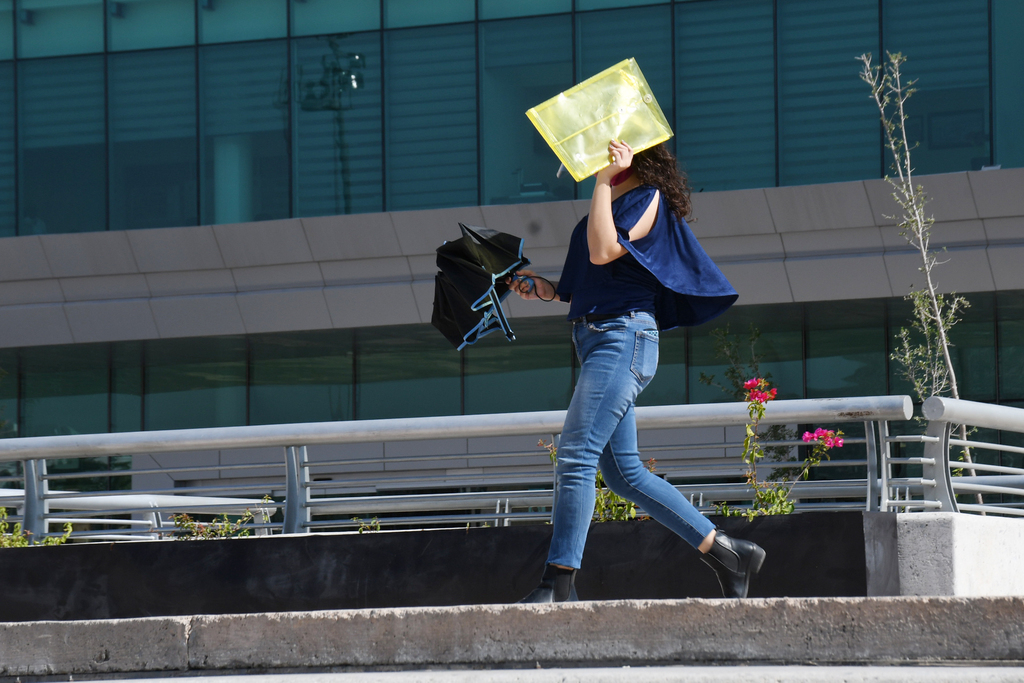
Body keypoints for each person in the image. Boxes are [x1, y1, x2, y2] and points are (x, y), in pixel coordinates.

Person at [509, 140, 765, 602]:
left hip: (622, 338)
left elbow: (606, 250)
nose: (597, 164)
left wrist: (605, 181)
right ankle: (729, 552)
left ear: (633, 155)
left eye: (607, 156)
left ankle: (557, 584)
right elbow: (580, 282)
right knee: (624, 475)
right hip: (597, 340)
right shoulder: (602, 207)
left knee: (575, 455)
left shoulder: (648, 199)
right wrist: (542, 289)